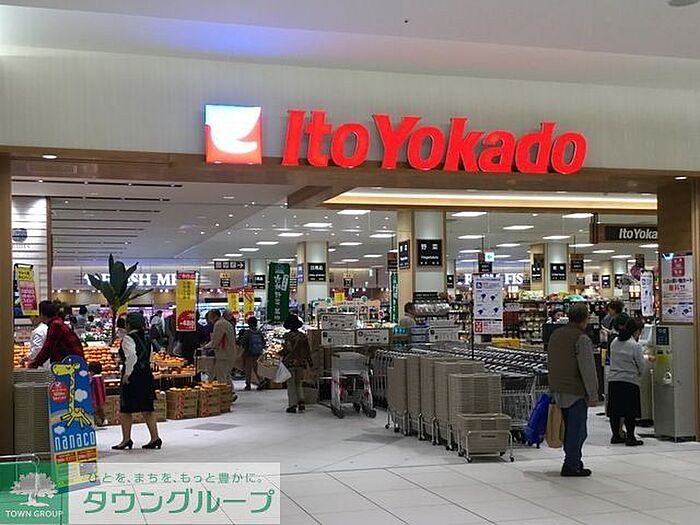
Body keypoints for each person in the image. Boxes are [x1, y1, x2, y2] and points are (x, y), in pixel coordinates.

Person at [547, 303, 599, 477]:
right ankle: (571, 464)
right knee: (577, 431)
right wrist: (593, 394)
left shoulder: (556, 334)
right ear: (585, 319)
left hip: (557, 388)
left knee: (565, 428)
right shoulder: (581, 338)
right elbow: (587, 368)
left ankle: (573, 460)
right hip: (575, 391)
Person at [112, 313, 161, 450]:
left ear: (128, 325)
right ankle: (155, 438)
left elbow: (131, 356)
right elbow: (151, 356)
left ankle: (126, 440)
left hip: (133, 375)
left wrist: (127, 373)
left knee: (126, 409)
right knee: (147, 407)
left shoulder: (128, 338)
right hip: (146, 373)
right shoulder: (147, 338)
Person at [608, 317, 645, 446]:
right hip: (629, 381)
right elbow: (641, 364)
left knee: (615, 411)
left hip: (614, 380)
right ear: (637, 331)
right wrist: (639, 373)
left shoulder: (614, 342)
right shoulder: (635, 345)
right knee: (630, 411)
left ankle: (616, 435)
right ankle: (630, 437)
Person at [28, 302, 85, 368]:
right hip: (74, 362)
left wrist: (33, 364)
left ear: (42, 314)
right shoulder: (57, 323)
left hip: (72, 364)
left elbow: (47, 348)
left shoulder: (55, 325)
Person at [280, 315, 313, 413]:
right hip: (301, 363)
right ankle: (301, 402)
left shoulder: (287, 336)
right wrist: (310, 362)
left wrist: (278, 354)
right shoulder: (303, 336)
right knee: (299, 383)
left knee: (291, 384)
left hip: (290, 363)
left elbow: (286, 349)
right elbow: (307, 350)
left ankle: (292, 405)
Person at [205, 309, 237, 388]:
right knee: (226, 374)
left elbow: (215, 341)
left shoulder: (219, 324)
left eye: (209, 317)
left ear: (214, 316)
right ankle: (230, 391)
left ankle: (224, 392)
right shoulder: (226, 323)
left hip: (224, 354)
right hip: (229, 353)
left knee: (221, 376)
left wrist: (206, 347)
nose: (209, 320)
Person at [237, 316, 267, 391]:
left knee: (248, 369)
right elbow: (263, 342)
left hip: (248, 353)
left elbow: (243, 343)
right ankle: (261, 381)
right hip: (257, 353)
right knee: (256, 368)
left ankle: (248, 384)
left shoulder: (248, 332)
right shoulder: (259, 332)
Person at [24, 300, 52, 369]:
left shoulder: (38, 331)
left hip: (42, 365)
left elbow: (37, 349)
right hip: (47, 363)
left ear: (39, 317)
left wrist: (27, 357)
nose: (31, 319)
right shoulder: (45, 327)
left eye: (32, 317)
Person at [89, 362, 107, 427]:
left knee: (95, 411)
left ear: (91, 371)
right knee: (100, 409)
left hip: (93, 398)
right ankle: (102, 420)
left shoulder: (92, 379)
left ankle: (97, 421)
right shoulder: (101, 378)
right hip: (101, 397)